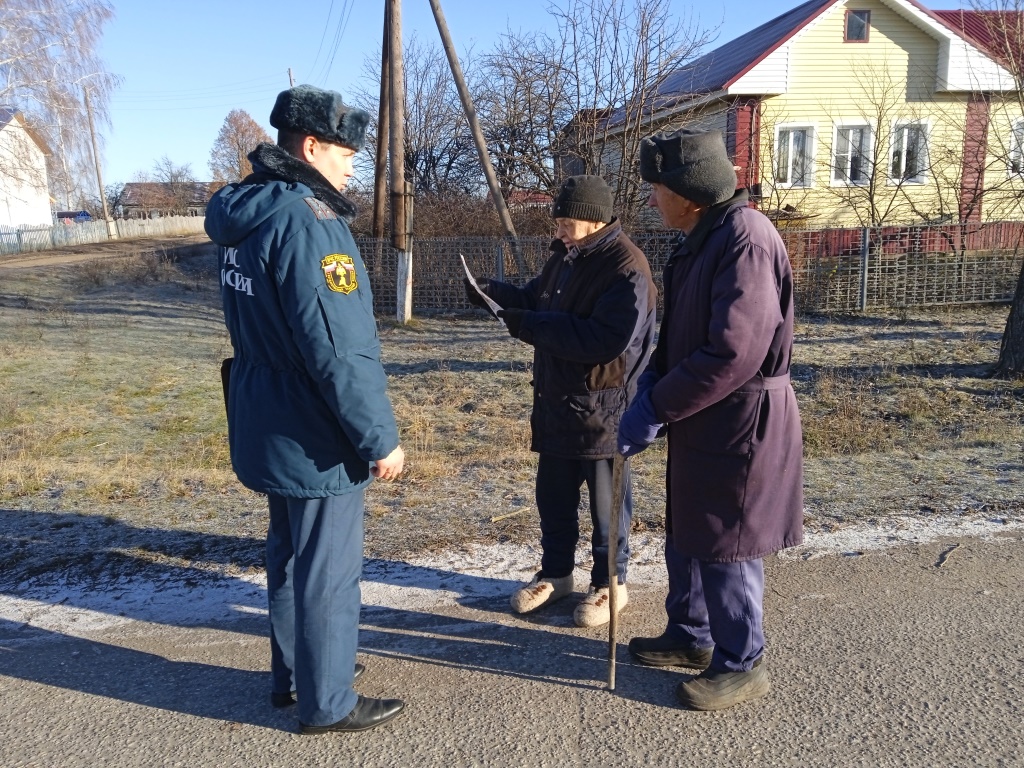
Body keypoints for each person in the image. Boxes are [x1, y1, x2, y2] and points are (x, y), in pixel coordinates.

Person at [205, 85, 406, 734]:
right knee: (328, 569)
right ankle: (330, 701)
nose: (353, 167)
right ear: (311, 146)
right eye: (346, 153)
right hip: (315, 430)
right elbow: (341, 351)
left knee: (290, 557)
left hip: (266, 413)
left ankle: (298, 675)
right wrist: (380, 438)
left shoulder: (246, 212)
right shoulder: (310, 223)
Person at [617, 129, 804, 710]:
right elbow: (681, 336)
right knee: (691, 529)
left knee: (729, 542)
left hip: (741, 417)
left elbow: (735, 352)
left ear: (690, 193)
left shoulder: (744, 239)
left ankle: (742, 662)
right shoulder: (702, 237)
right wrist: (652, 380)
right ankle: (691, 634)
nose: (653, 200)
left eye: (659, 189)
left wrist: (656, 405)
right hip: (702, 413)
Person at [465, 175, 657, 628]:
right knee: (553, 499)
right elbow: (536, 300)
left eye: (566, 223)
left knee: (607, 507)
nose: (558, 231)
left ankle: (611, 584)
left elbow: (603, 340)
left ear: (592, 221)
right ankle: (556, 575)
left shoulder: (626, 267)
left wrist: (526, 324)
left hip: (604, 409)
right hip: (555, 402)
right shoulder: (567, 257)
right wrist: (491, 293)